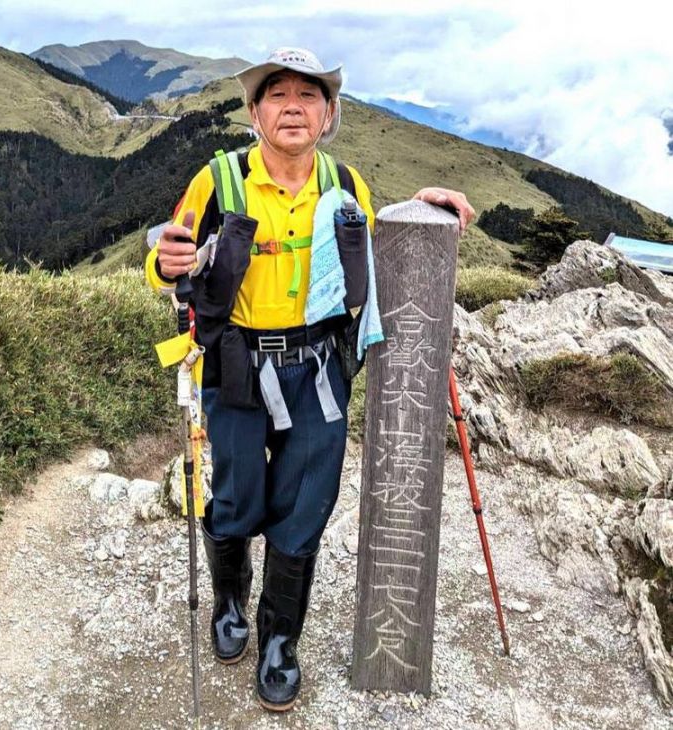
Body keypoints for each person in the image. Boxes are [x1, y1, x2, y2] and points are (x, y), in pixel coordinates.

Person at [145, 47, 474, 712]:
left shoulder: (347, 184)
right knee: (235, 495)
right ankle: (230, 604)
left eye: (308, 95)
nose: (292, 105)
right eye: (277, 94)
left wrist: (429, 209)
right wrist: (165, 259)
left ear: (328, 116)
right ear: (254, 112)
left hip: (319, 367)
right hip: (235, 365)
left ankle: (277, 641)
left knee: (303, 508)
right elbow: (166, 263)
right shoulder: (218, 182)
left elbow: (368, 251)